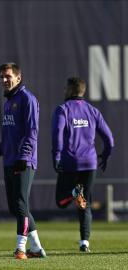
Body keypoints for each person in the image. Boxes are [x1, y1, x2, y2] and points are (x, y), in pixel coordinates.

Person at [0, 63, 46, 260]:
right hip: (9, 160)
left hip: (23, 161)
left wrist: (24, 155)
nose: (4, 80)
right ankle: (37, 248)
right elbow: (8, 135)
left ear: (18, 78)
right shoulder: (8, 102)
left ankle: (21, 248)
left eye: (8, 76)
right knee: (16, 208)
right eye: (2, 77)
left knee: (21, 204)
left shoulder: (27, 99)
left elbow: (32, 131)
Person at [51, 77, 114, 252]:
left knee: (61, 201)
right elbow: (109, 139)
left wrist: (56, 156)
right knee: (84, 202)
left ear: (71, 90)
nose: (64, 90)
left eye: (66, 88)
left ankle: (73, 192)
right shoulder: (93, 111)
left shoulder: (63, 110)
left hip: (70, 162)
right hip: (90, 163)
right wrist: (106, 155)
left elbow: (57, 134)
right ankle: (84, 242)